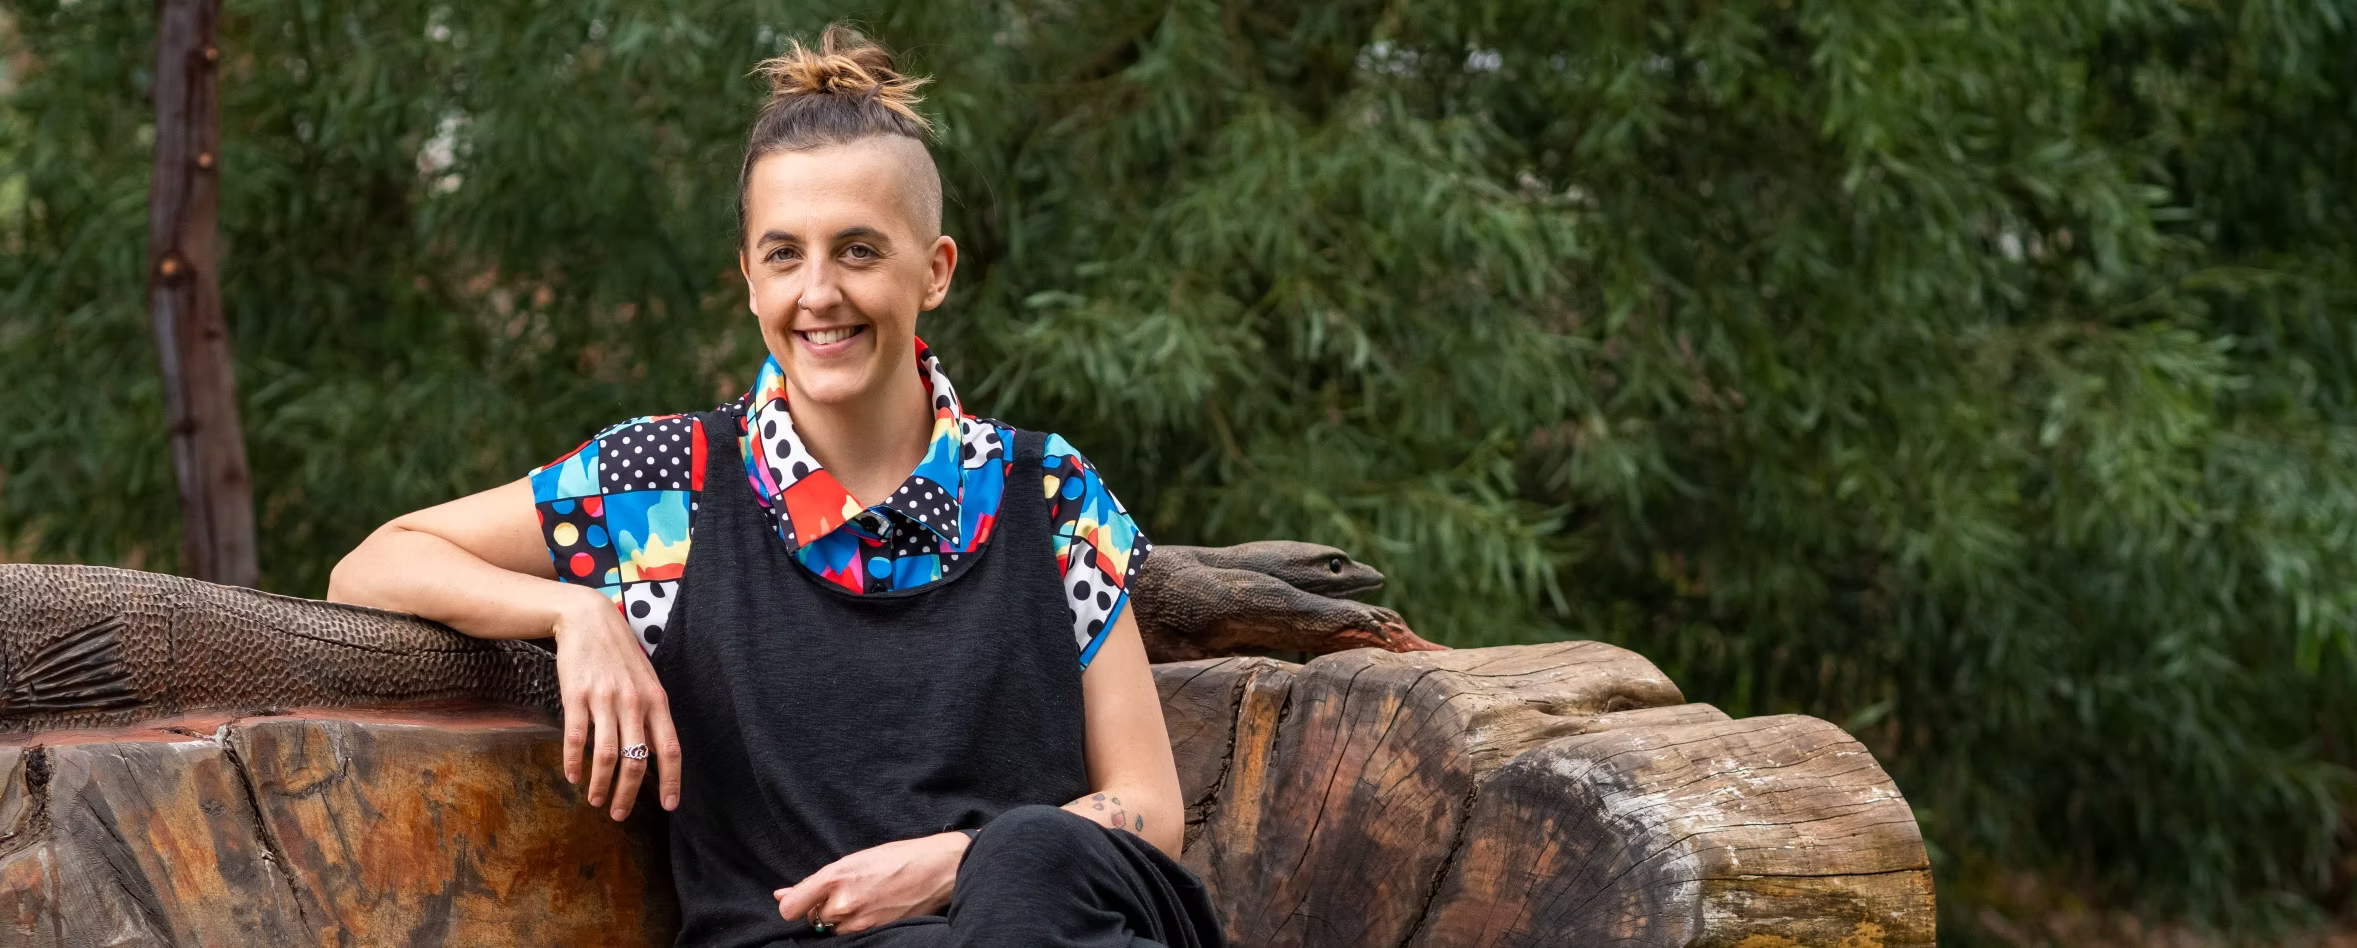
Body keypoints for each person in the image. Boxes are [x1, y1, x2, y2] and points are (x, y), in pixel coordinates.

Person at [328, 23, 1225, 948]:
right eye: (785, 254)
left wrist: (962, 859)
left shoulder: (1050, 494)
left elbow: (1147, 809)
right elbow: (376, 563)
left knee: (1033, 854)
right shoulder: (665, 486)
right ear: (750, 280)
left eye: (860, 251)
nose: (819, 292)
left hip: (1043, 928)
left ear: (936, 270)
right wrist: (574, 614)